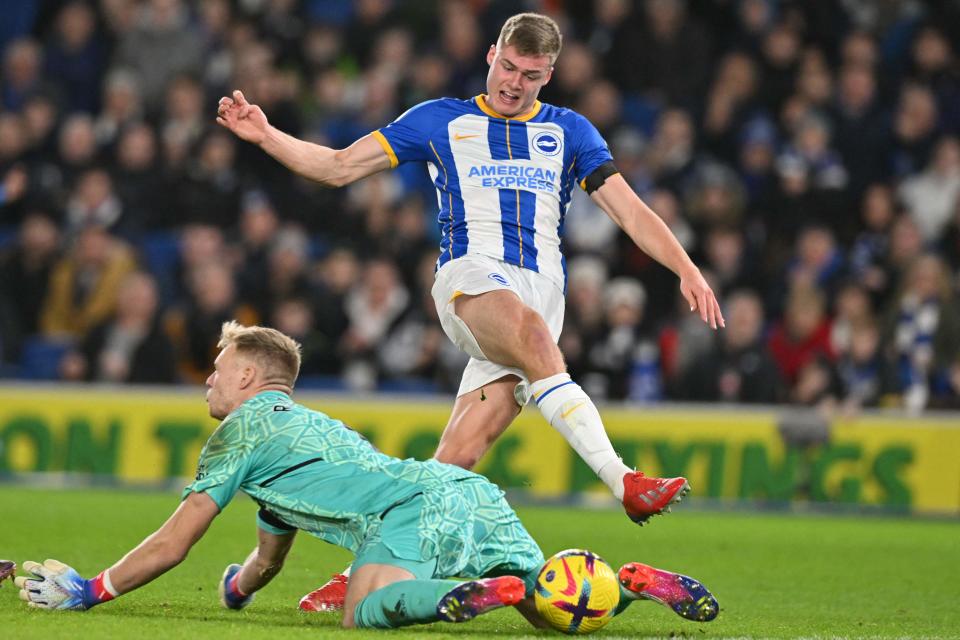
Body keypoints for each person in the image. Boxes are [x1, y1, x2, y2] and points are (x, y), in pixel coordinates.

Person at [216, 12, 724, 609]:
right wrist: (266, 134)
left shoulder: (571, 132)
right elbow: (337, 167)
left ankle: (363, 569)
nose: (514, 82)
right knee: (534, 339)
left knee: (451, 468)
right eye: (507, 66)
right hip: (470, 280)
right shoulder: (439, 120)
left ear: (549, 75)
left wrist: (687, 268)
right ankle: (625, 483)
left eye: (530, 74)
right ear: (490, 55)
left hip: (542, 297)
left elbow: (631, 212)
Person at [14, 321, 720, 630]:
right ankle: (623, 586)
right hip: (463, 493)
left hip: (405, 513)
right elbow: (268, 554)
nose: (207, 382)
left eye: (218, 372)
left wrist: (92, 591)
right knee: (551, 605)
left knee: (365, 608)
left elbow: (174, 542)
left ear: (252, 379)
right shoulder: (302, 438)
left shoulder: (242, 434)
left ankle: (461, 592)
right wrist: (237, 589)